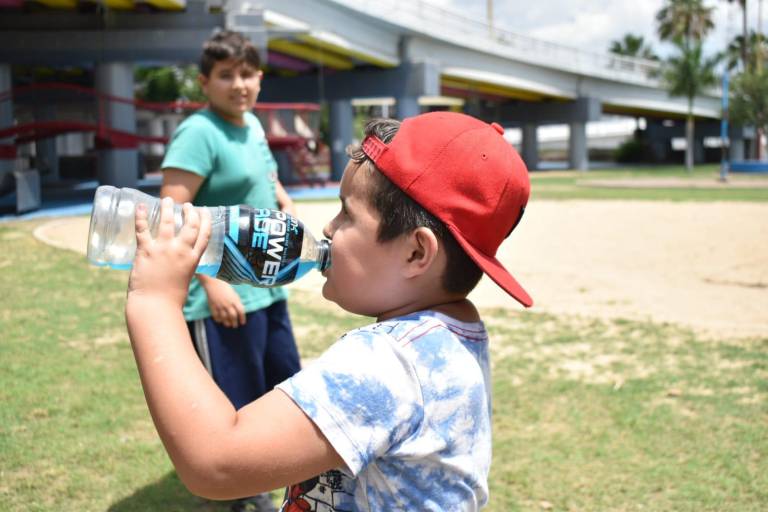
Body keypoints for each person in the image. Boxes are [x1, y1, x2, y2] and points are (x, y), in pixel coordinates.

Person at [125, 111, 532, 511]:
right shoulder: (453, 336)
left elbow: (216, 463)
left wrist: (154, 303)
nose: (329, 230)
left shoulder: (387, 363)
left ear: (416, 251)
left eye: (347, 214)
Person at [159, 30, 300, 511]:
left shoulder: (252, 125)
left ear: (259, 78)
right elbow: (171, 215)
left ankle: (271, 484)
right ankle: (243, 496)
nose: (238, 84)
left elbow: (264, 175)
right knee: (231, 408)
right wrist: (210, 283)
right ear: (205, 82)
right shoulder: (199, 132)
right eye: (226, 75)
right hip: (221, 298)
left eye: (246, 74)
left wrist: (283, 199)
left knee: (281, 392)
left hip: (267, 289)